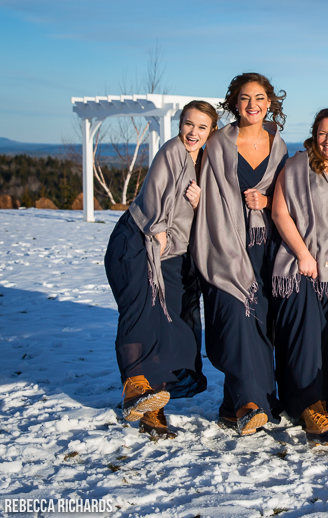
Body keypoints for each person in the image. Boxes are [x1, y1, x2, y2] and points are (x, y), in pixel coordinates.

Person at [105, 100, 217, 439]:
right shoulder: (172, 151)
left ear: (211, 132)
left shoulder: (207, 165)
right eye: (188, 123)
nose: (192, 132)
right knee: (143, 314)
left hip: (172, 253)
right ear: (179, 124)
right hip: (140, 241)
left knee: (174, 326)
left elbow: (215, 214)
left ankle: (151, 402)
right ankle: (137, 392)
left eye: (201, 127)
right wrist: (157, 230)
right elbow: (154, 195)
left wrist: (202, 202)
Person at [192, 73, 288, 436]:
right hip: (223, 241)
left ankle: (238, 406)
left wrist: (266, 201)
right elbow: (208, 190)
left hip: (266, 246)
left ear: (270, 102)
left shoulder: (279, 144)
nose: (253, 105)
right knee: (234, 314)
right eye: (245, 98)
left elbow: (287, 191)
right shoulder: (217, 143)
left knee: (260, 322)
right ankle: (252, 403)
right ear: (235, 103)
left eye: (260, 98)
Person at [271, 108, 328, 446]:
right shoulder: (296, 167)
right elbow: (280, 212)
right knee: (304, 339)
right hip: (298, 267)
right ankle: (309, 411)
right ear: (314, 135)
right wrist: (304, 255)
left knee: (327, 342)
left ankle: (322, 406)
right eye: (323, 133)